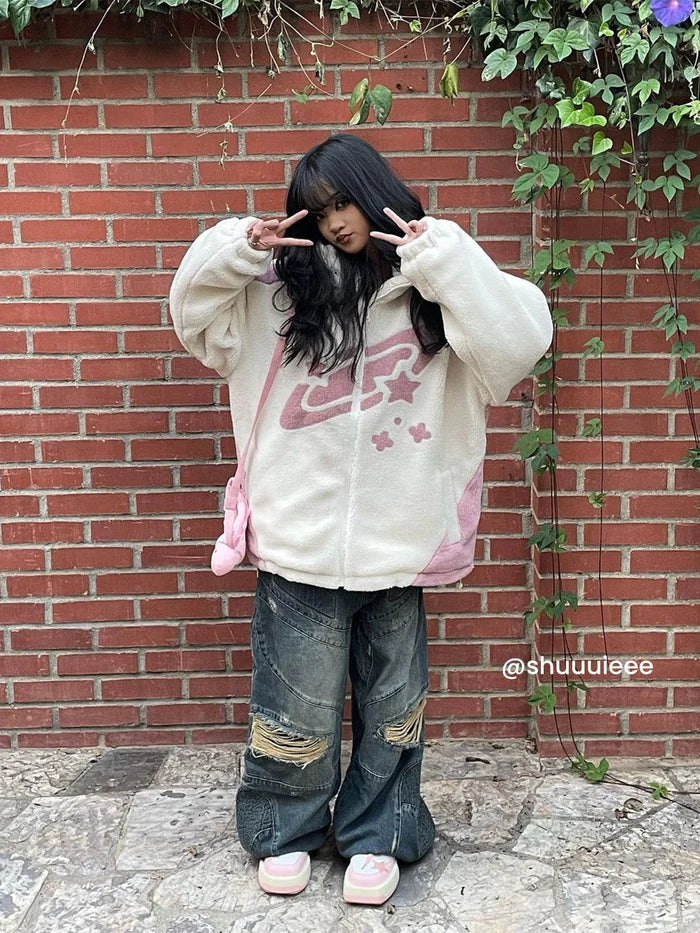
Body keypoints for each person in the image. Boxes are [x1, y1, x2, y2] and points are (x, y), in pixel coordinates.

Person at [168, 132, 553, 905]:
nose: (335, 222)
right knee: (294, 709)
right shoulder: (277, 292)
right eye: (317, 211)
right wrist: (233, 249)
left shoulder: (434, 294)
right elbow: (190, 313)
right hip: (298, 545)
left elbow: (522, 342)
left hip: (400, 545)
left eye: (344, 201)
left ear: (375, 194)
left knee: (393, 708)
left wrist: (445, 261)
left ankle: (381, 831)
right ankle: (285, 827)